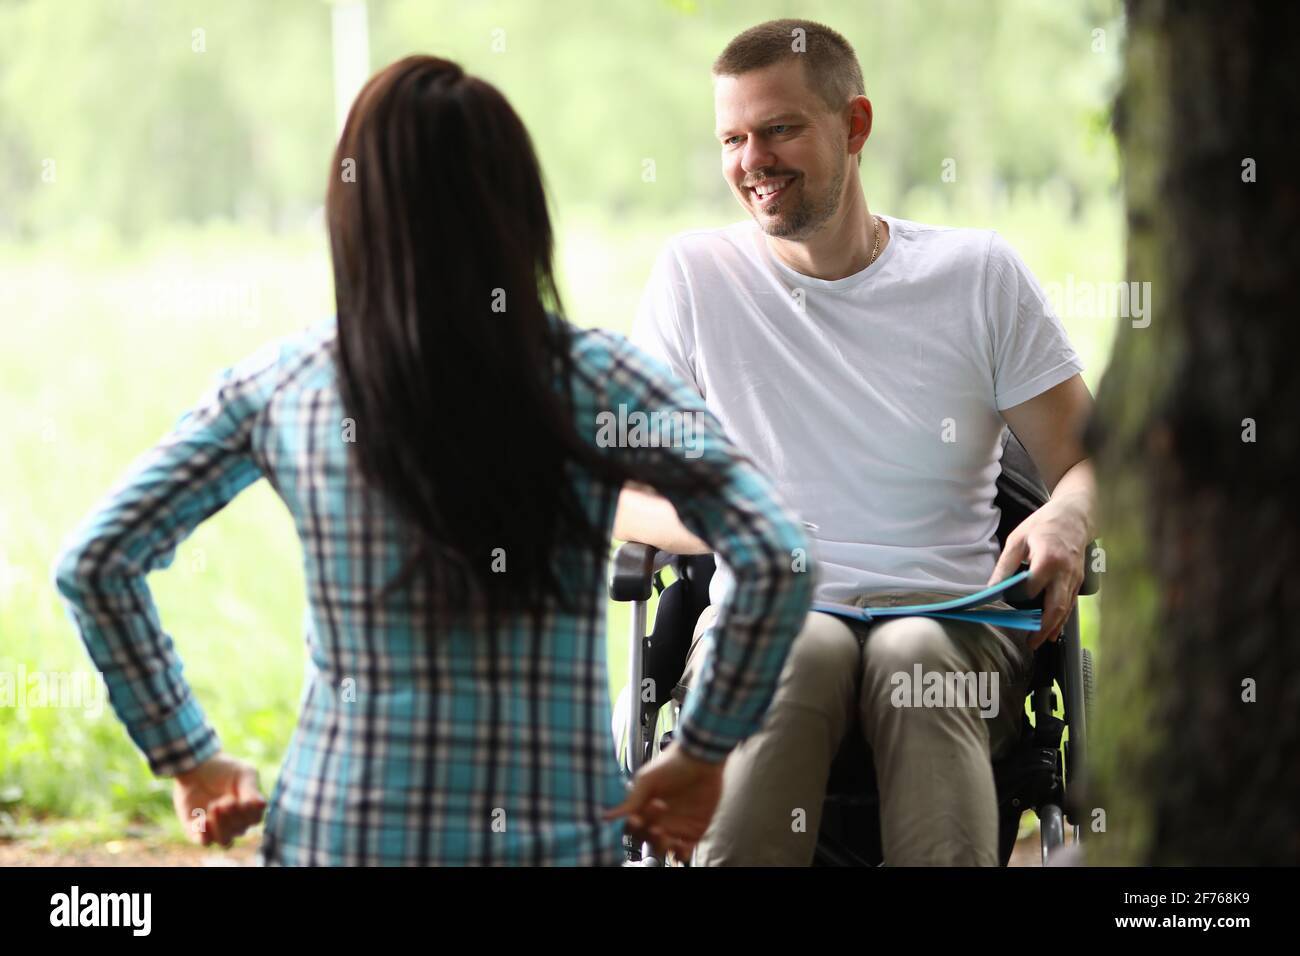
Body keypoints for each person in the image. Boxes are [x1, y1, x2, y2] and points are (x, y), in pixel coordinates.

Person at [52, 55, 813, 866]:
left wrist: (190, 758)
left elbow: (97, 563)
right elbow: (778, 551)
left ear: (353, 212)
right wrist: (700, 755)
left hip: (339, 837)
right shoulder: (598, 380)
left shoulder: (279, 388)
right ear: (517, 209)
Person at [616, 19, 1096, 865]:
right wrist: (719, 527)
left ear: (855, 125)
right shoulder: (695, 278)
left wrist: (1069, 518)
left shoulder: (977, 276)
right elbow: (615, 489)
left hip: (952, 617)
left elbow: (1090, 461)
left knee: (914, 653)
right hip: (773, 612)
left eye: (779, 129)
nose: (751, 160)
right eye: (733, 137)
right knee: (799, 644)